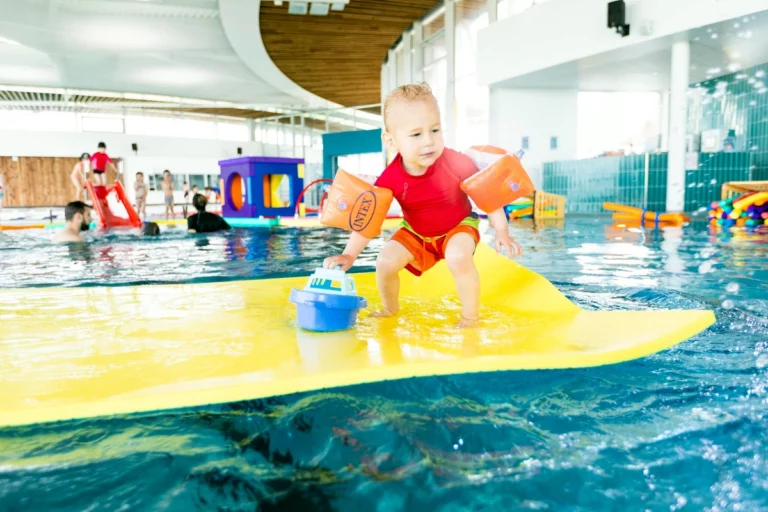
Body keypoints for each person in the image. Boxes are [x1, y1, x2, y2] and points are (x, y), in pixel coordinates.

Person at [323, 83, 522, 328]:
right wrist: (350, 253)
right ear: (391, 140)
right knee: (384, 262)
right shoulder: (391, 178)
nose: (429, 141)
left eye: (435, 130)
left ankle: (470, 317)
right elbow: (369, 221)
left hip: (458, 226)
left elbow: (487, 194)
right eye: (416, 134)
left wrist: (501, 230)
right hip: (416, 232)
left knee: (459, 257)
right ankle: (389, 308)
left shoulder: (454, 161)